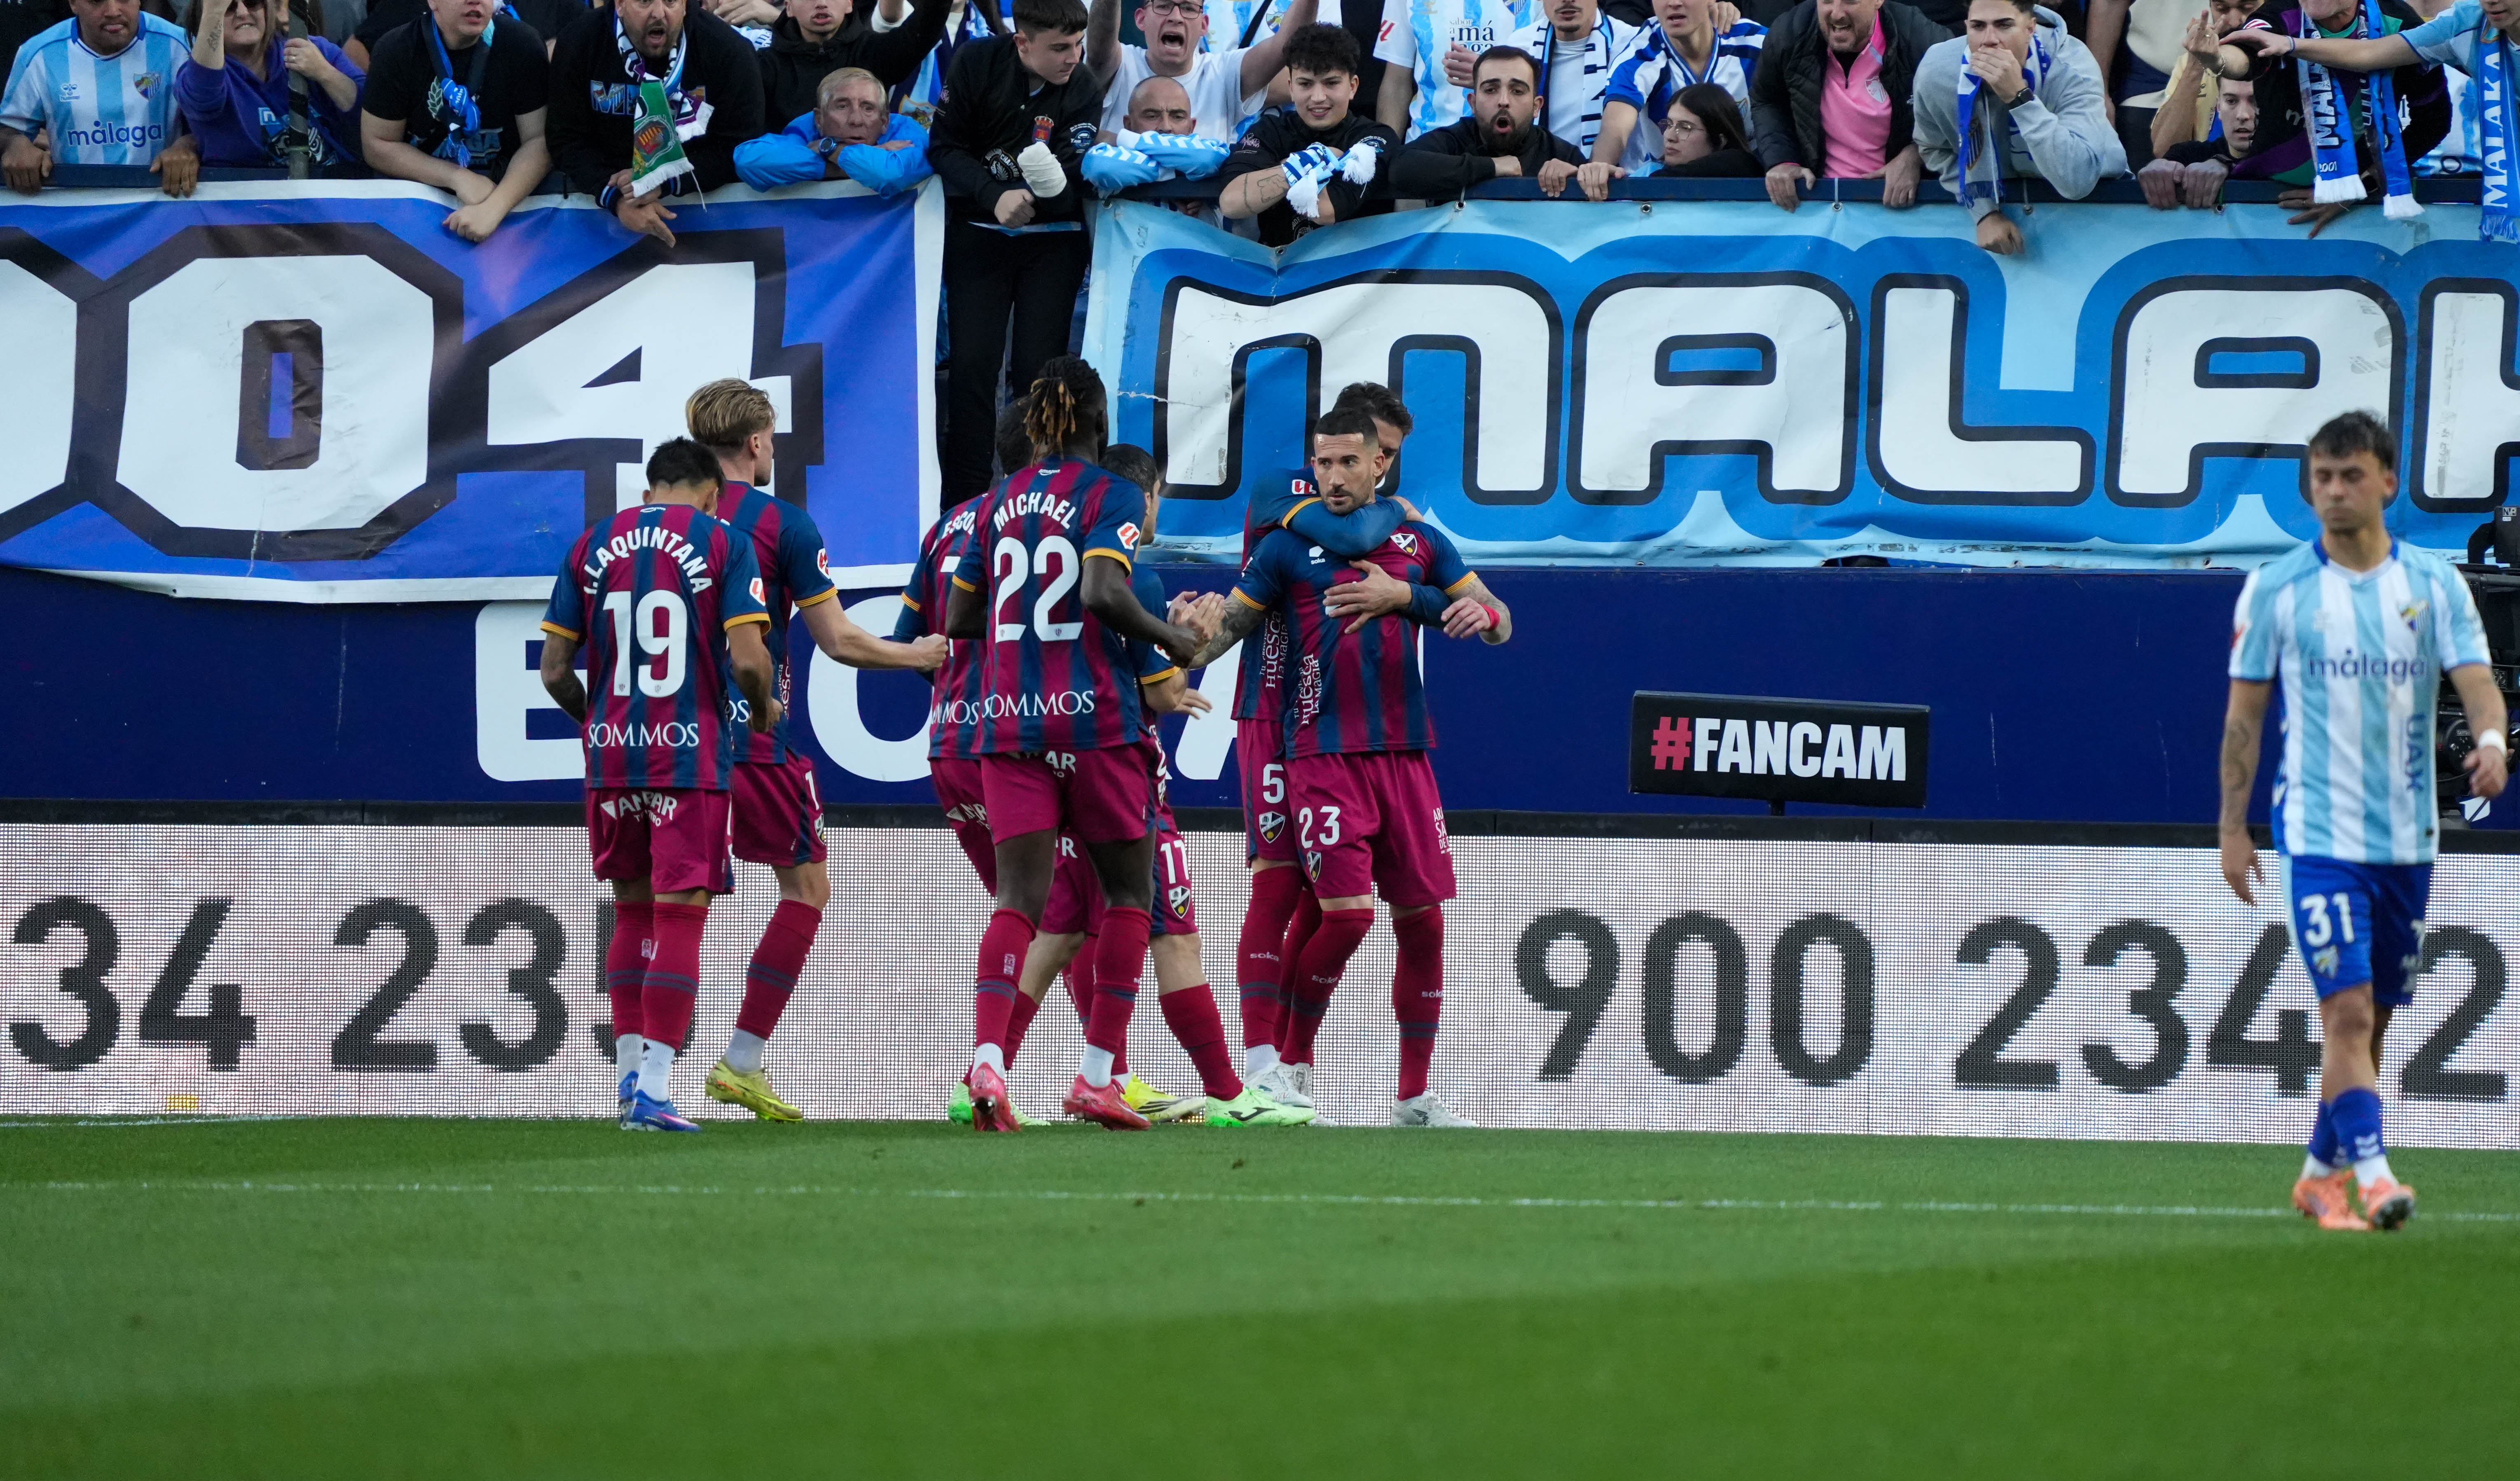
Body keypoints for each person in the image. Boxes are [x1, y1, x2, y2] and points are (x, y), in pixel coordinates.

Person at [937, 358, 1264, 1132]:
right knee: (1127, 896)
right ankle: (1095, 1078)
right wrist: (1173, 638)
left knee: (1021, 902)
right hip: (1095, 726)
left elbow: (955, 619)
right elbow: (1100, 591)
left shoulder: (994, 502)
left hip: (1009, 724)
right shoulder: (1109, 492)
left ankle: (987, 1057)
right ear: (1095, 421)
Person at [2219, 410, 2506, 1232]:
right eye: (2321, 477)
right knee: (2343, 1012)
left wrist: (2491, 739)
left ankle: (2317, 1175)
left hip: (2406, 838)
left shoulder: (2432, 584)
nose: (2334, 491)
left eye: (2350, 475)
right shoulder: (2276, 588)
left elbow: (2477, 682)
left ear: (2386, 482)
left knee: (2372, 1017)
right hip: (2316, 835)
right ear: (2308, 487)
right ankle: (2372, 1179)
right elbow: (2243, 717)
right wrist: (2231, 826)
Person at [1184, 408, 1511, 1127]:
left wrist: (1447, 610)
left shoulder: (1420, 542)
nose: (1332, 477)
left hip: (1404, 755)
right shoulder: (1284, 549)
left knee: (1423, 924)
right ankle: (1289, 1064)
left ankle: (1414, 1098)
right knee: (1346, 917)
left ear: (1378, 468)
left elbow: (1499, 619)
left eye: (1346, 464)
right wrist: (1183, 635)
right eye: (1323, 464)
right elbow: (1221, 636)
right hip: (1321, 755)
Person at [680, 379, 947, 1123]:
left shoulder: (656, 521)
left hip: (664, 739)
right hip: (752, 734)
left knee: (665, 905)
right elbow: (838, 639)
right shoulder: (781, 523)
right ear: (758, 442)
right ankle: (741, 1059)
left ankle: (645, 1078)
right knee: (805, 889)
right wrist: (916, 654)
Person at [1226, 383, 1460, 1109]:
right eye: (1376, 451)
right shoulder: (1287, 489)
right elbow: (1359, 539)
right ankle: (1267, 1064)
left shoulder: (1402, 527)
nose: (1380, 465)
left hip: (1361, 724)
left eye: (1388, 457)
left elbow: (1478, 607)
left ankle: (1300, 1070)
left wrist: (1418, 584)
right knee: (1281, 881)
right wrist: (1395, 510)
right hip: (1275, 708)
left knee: (1337, 903)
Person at [537, 437, 778, 1134]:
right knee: (681, 915)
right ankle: (658, 1089)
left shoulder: (591, 545)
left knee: (633, 912)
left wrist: (600, 721)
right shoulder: (723, 541)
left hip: (612, 756)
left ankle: (628, 1081)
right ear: (709, 493)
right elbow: (749, 658)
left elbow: (555, 670)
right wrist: (760, 708)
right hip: (687, 754)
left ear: (649, 493)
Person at [926, 0, 1100, 505]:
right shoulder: (977, 63)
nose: (1074, 56)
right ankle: (962, 503)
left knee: (1037, 373)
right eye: (1060, 47)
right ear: (1022, 43)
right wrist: (992, 193)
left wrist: (1040, 193)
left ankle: (1031, 495)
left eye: (1078, 44)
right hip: (979, 233)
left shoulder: (1083, 85)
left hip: (1053, 242)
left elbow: (1070, 179)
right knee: (973, 370)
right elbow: (942, 147)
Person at [2217, 0, 2506, 238]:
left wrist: (2357, 190)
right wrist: (2214, 60)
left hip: (2367, 215)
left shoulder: (2398, 20)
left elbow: (2431, 121)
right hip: (2263, 204)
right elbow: (2245, 56)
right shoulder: (2279, 13)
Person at [547, 0, 768, 248]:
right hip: (601, 218)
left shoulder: (727, 50)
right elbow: (565, 137)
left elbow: (742, 144)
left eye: (671, 2)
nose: (659, 13)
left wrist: (665, 181)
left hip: (703, 220)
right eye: (645, 1)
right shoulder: (580, 41)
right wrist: (616, 198)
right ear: (620, 5)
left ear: (685, 5)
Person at [1912, 0, 2122, 256]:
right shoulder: (1938, 71)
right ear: (1966, 26)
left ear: (2030, 28)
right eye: (1978, 26)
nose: (1990, 40)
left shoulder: (2071, 64)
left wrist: (2020, 98)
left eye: (2004, 25)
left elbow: (2077, 180)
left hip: (2098, 207)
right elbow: (1934, 148)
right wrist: (1984, 212)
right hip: (2004, 218)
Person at [359, 0, 551, 241]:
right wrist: (455, 176)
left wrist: (494, 209)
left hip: (508, 198)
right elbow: (377, 144)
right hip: (421, 201)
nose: (476, 1)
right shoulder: (396, 49)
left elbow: (539, 140)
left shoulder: (522, 44)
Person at [1750, 0, 1947, 211]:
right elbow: (1767, 100)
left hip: (1900, 204)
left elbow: (1958, 111)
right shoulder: (1789, 32)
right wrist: (1782, 160)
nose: (1836, 14)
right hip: (1817, 200)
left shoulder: (1920, 38)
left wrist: (1916, 156)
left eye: (1850, 1)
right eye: (1827, 1)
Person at [1215, 22, 1397, 243]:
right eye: (1306, 84)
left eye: (1331, 83)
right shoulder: (1269, 131)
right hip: (1280, 270)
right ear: (1291, 88)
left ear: (1353, 87)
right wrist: (1316, 159)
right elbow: (1231, 202)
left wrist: (1282, 168)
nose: (1318, 97)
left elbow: (1325, 211)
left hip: (1358, 272)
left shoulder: (1375, 137)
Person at [1, 0, 200, 196]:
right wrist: (15, 145)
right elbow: (8, 130)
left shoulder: (183, 46)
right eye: (96, 1)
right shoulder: (39, 54)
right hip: (77, 211)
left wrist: (188, 146)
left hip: (160, 209)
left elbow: (221, 124)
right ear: (73, 4)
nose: (113, 11)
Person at [1391, 43, 1611, 197]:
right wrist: (1492, 167)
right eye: (1491, 90)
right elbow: (1400, 167)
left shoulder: (1561, 154)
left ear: (1537, 107)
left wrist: (1578, 178)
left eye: (1517, 91)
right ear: (1473, 103)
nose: (1504, 101)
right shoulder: (1454, 141)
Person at [1085, 0, 1311, 142]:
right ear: (1141, 19)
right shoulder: (1118, 63)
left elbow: (1286, 44)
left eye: (1188, 8)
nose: (1176, 17)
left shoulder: (1223, 73)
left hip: (1198, 221)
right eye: (1163, 6)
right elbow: (1100, 37)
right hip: (1118, 217)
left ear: (1204, 25)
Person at [1448, 0, 1652, 157]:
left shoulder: (1634, 44)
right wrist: (1493, 81)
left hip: (1616, 194)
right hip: (1537, 188)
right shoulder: (1521, 43)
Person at [177, 0, 363, 168]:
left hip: (332, 192)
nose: (243, 13)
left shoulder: (313, 49)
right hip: (249, 199)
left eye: (252, 2)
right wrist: (213, 13)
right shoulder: (196, 75)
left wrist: (325, 73)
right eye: (229, 7)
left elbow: (370, 113)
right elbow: (202, 99)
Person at [1593, 0, 1765, 174]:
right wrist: (1599, 168)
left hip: (1759, 188)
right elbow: (1615, 127)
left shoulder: (1758, 45)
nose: (1674, 3)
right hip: (1666, 191)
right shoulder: (1639, 56)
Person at [735, 62, 933, 188]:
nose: (856, 120)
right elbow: (749, 161)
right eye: (842, 106)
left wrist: (828, 149)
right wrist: (867, 156)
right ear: (819, 119)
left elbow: (889, 173)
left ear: (884, 121)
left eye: (868, 108)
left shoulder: (906, 132)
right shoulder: (806, 128)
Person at [758, 0, 950, 124]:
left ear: (850, 4)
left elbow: (927, 28)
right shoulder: (763, 67)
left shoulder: (873, 52)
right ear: (788, 7)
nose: (822, 4)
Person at [1372, 0, 1535, 140]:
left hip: (1511, 148)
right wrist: (1386, 154)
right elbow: (1396, 82)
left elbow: (1552, 68)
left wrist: (1488, 75)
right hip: (1428, 146)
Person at [2138, 0, 2254, 158]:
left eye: (2247, 8)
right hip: (2199, 177)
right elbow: (2165, 152)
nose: (2234, 22)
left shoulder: (2288, 60)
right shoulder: (2190, 63)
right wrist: (2196, 64)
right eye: (2222, 9)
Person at [2136, 67, 2252, 206]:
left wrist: (2226, 166)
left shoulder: (2285, 161)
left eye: (2255, 101)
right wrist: (2159, 171)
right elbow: (2164, 167)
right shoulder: (2189, 155)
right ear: (2219, 107)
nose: (2243, 115)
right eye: (2231, 101)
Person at [348, 0, 582, 66]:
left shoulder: (563, 5)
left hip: (526, 139)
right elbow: (355, 49)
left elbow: (592, 49)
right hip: (429, 155)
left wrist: (555, 59)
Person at [1653, 76, 1761, 168]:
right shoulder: (1645, 176)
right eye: (1669, 125)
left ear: (1720, 141)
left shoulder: (1750, 181)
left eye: (1685, 128)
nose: (1670, 137)